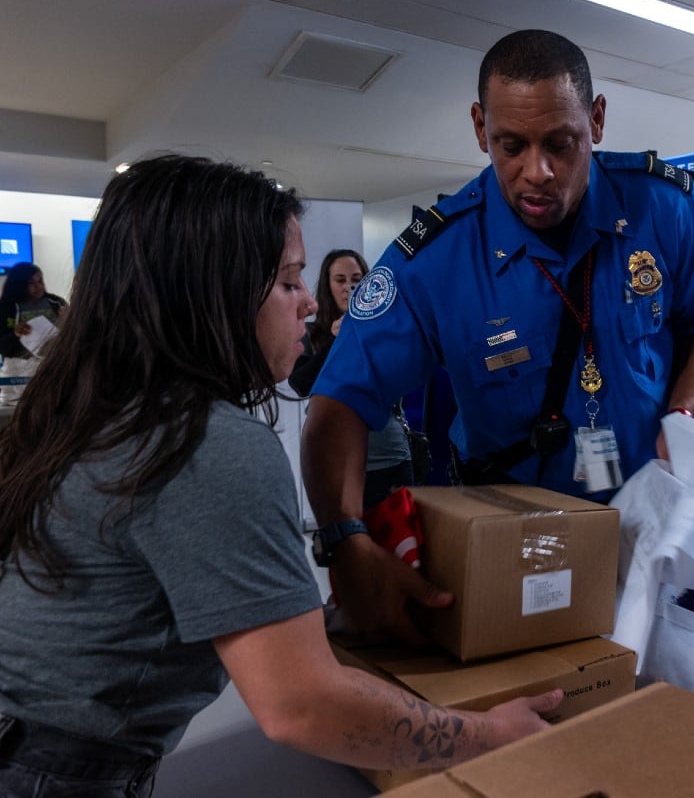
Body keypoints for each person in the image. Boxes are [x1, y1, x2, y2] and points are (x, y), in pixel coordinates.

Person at [0, 154, 561, 798]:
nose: (309, 305)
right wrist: (488, 734)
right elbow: (300, 705)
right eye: (291, 280)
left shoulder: (91, 409)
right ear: (217, 291)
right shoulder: (202, 442)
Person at [301, 29, 694, 637]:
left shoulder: (663, 209)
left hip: (648, 521)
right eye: (511, 145)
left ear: (598, 119)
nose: (538, 172)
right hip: (516, 544)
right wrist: (345, 540)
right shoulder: (435, 258)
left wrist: (682, 421)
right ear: (481, 128)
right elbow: (337, 406)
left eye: (562, 144)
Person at [289, 248, 418, 508]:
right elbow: (300, 383)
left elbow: (405, 377)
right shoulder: (313, 333)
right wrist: (337, 341)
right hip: (334, 459)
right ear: (327, 286)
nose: (349, 287)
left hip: (388, 455)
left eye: (356, 279)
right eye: (340, 280)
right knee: (343, 542)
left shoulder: (382, 328)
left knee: (400, 540)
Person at [0, 262, 67, 405]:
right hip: (18, 372)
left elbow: (74, 337)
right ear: (19, 285)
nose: (38, 287)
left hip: (52, 367)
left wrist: (69, 320)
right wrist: (15, 334)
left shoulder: (55, 302)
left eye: (40, 281)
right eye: (32, 284)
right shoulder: (6, 307)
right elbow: (3, 346)